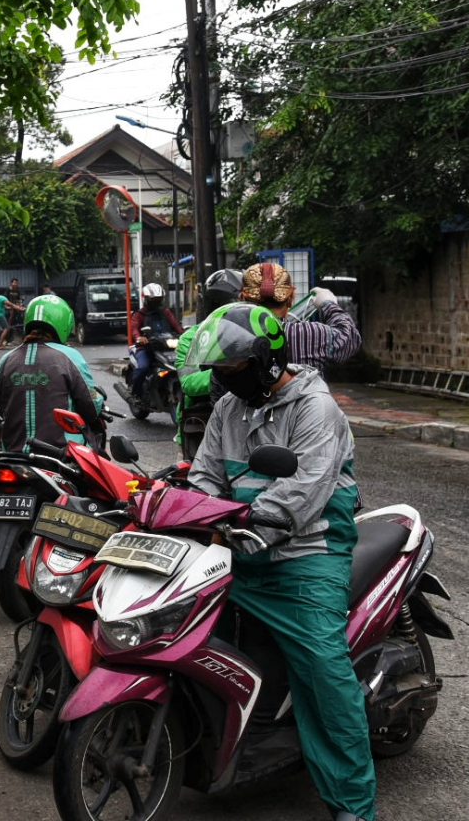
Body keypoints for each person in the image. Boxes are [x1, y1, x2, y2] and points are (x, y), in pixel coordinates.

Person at [183, 303, 376, 821]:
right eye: (218, 370)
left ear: (266, 361)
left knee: (322, 668)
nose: (223, 378)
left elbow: (303, 493)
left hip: (306, 556)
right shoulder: (228, 409)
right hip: (238, 551)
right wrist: (196, 512)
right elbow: (205, 475)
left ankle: (351, 803)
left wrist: (239, 526)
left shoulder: (316, 409)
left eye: (232, 367)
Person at [0, 295, 107, 452]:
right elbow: (91, 407)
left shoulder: (6, 359)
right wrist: (98, 397)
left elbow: (2, 408)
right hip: (62, 454)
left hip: (12, 452)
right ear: (64, 323)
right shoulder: (70, 356)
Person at [234, 262, 362, 380]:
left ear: (242, 299)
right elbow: (351, 338)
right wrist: (328, 305)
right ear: (291, 298)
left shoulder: (231, 336)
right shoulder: (313, 334)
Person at [175, 268, 244, 458]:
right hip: (201, 426)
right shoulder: (192, 337)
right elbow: (188, 383)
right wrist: (229, 371)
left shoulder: (251, 333)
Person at [127, 282, 183, 399]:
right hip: (146, 347)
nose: (156, 302)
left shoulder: (166, 312)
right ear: (146, 299)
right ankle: (135, 393)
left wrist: (184, 334)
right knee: (142, 368)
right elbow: (134, 329)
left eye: (158, 299)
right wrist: (139, 338)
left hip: (165, 346)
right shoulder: (139, 314)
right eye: (153, 300)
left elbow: (176, 326)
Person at [0, 281, 26, 348]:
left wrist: (14, 308)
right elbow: (11, 304)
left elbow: (7, 307)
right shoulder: (3, 298)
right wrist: (19, 308)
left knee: (3, 329)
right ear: (5, 292)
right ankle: (0, 345)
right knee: (7, 328)